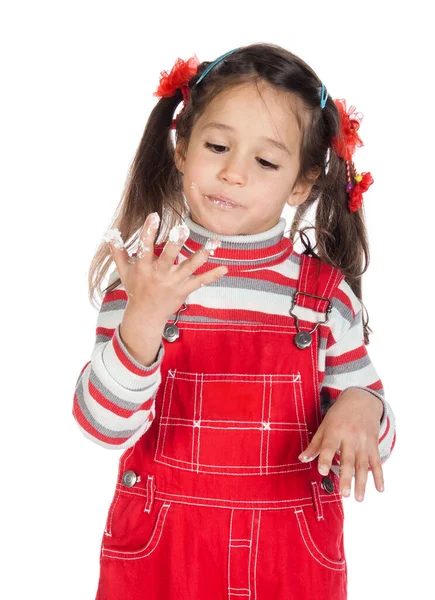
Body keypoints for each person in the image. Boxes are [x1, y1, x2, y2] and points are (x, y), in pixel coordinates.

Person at [72, 43, 396, 600]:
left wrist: (363, 406)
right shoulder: (144, 279)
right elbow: (101, 425)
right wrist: (144, 322)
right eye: (217, 146)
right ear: (181, 148)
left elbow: (374, 443)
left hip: (288, 557)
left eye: (265, 161)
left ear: (301, 183)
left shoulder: (324, 296)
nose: (232, 173)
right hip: (162, 550)